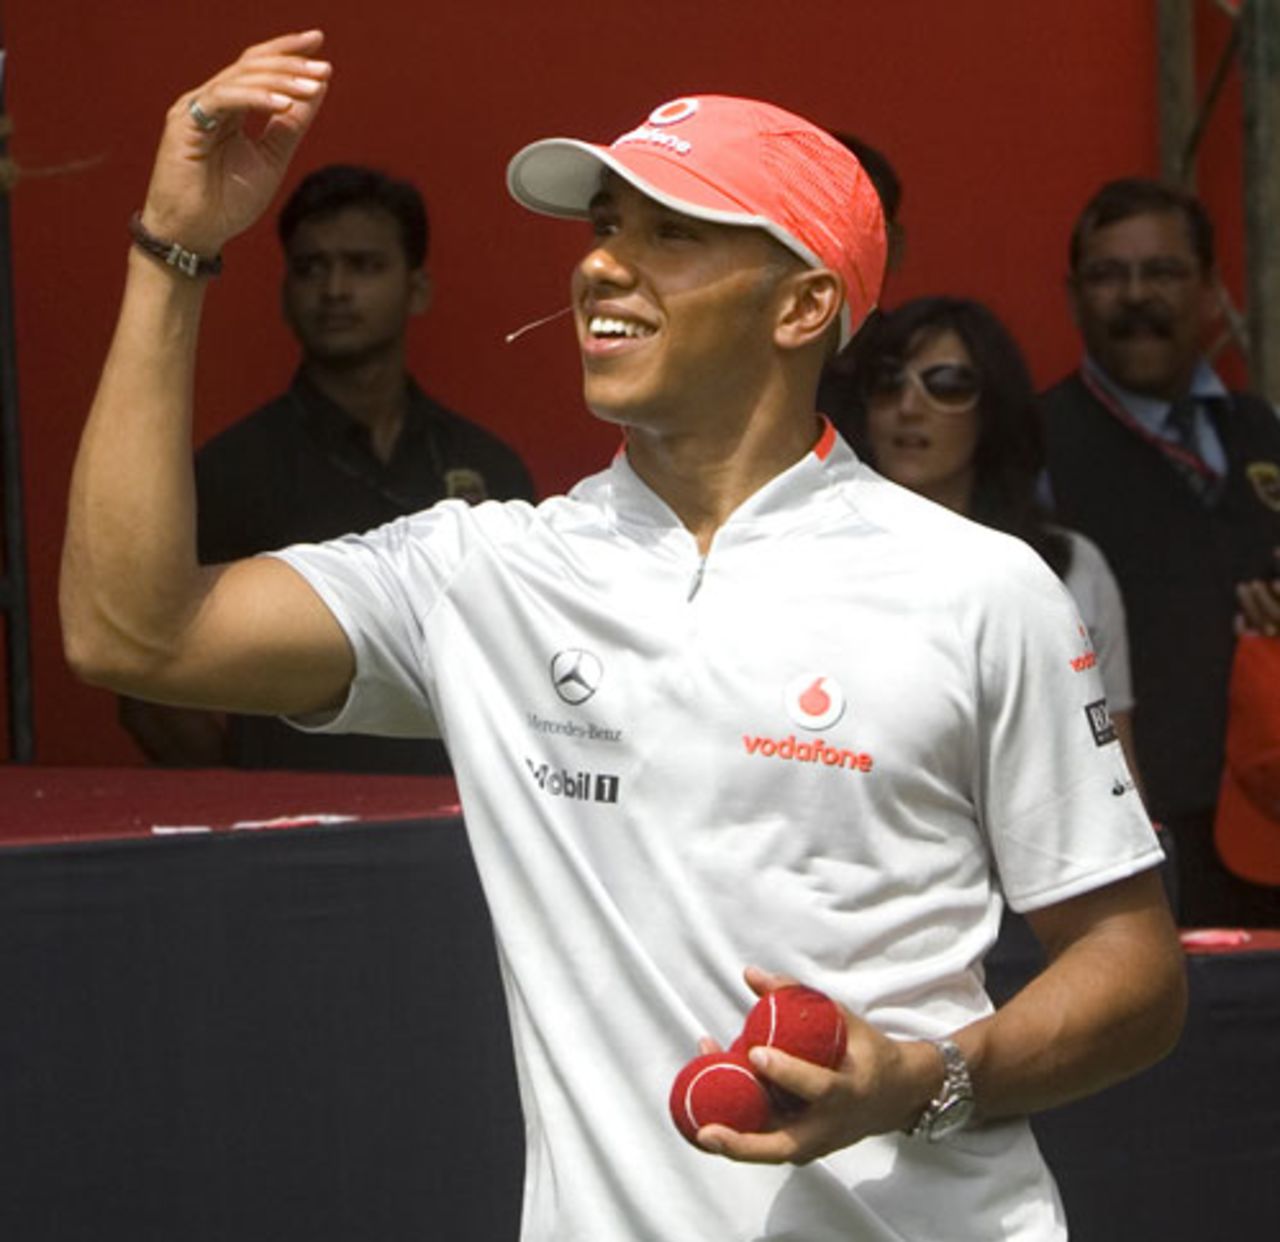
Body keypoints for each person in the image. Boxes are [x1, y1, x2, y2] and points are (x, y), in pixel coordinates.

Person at [61, 32, 1185, 1241]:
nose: (601, 264)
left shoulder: (980, 586)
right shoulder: (485, 568)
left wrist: (922, 1081)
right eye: (603, 227)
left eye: (670, 234)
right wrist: (173, 249)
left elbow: (1131, 971)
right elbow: (135, 634)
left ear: (803, 304)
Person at [118, 162, 534, 774]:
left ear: (417, 288)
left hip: (461, 818)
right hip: (290, 824)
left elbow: (529, 661)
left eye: (364, 265)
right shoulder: (232, 469)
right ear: (285, 291)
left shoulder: (488, 468)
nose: (335, 289)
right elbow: (145, 680)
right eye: (312, 267)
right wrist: (245, 790)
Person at [1042, 176, 1280, 927]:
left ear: (1210, 291)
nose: (1136, 295)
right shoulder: (1033, 447)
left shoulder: (1260, 428)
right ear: (1074, 296)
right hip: (1133, 835)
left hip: (1265, 814)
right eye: (1109, 275)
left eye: (1164, 272)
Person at [853, 296, 1143, 792]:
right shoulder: (822, 561)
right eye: (887, 381)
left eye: (946, 385)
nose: (908, 407)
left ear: (992, 409)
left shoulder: (1069, 568)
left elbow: (1116, 771)